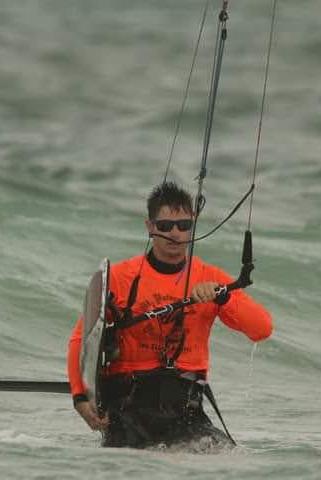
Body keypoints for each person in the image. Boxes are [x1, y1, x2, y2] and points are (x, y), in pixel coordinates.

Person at [67, 182, 272, 448]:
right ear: (149, 227)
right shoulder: (120, 278)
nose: (175, 234)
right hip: (128, 411)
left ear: (193, 225)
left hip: (186, 413)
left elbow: (262, 328)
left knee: (227, 456)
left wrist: (223, 296)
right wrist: (80, 398)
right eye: (165, 226)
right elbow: (81, 339)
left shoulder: (211, 279)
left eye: (184, 225)